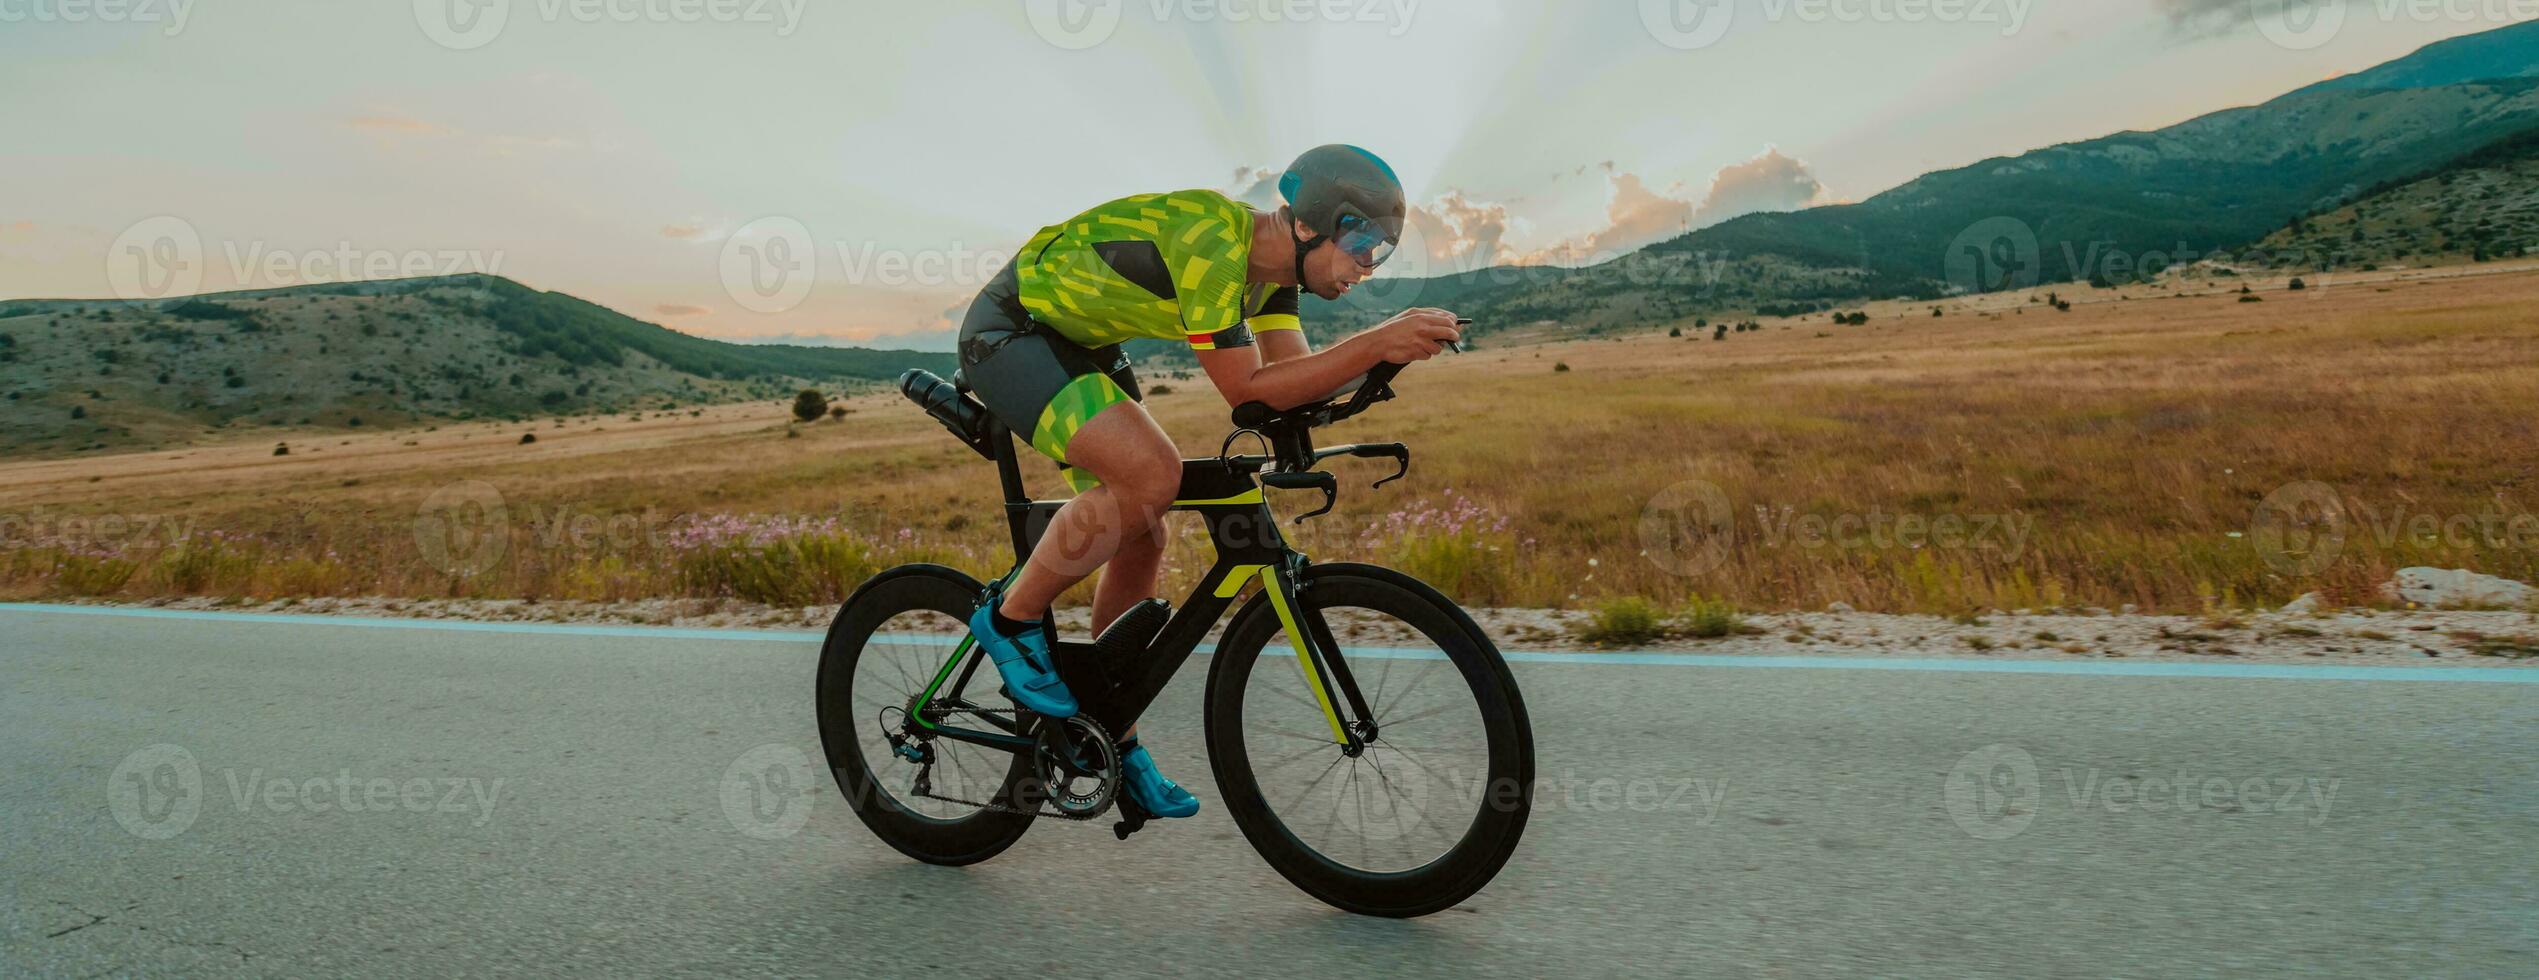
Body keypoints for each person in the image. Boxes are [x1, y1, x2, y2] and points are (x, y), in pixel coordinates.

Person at [953, 144, 1464, 819]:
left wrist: (1381, 367)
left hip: (1082, 345)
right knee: (1150, 477)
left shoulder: (1273, 281)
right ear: (1314, 224)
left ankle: (1111, 735)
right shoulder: (1212, 239)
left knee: (1143, 532)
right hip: (1012, 332)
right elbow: (1245, 388)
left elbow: (1288, 386)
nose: (1368, 269)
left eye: (1383, 254)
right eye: (1365, 245)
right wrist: (1376, 341)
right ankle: (1009, 619)